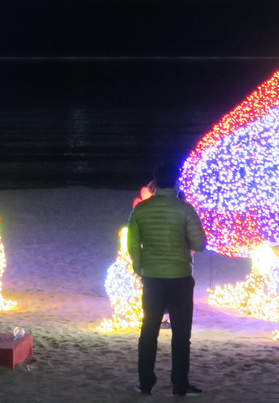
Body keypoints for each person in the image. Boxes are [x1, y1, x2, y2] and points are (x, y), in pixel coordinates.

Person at [125, 161, 206, 397]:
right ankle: (179, 384)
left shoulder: (141, 210)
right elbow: (200, 243)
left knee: (149, 332)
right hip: (180, 277)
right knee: (181, 335)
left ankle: (145, 383)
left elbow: (132, 244)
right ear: (176, 182)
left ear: (156, 182)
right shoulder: (185, 209)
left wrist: (139, 267)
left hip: (152, 277)